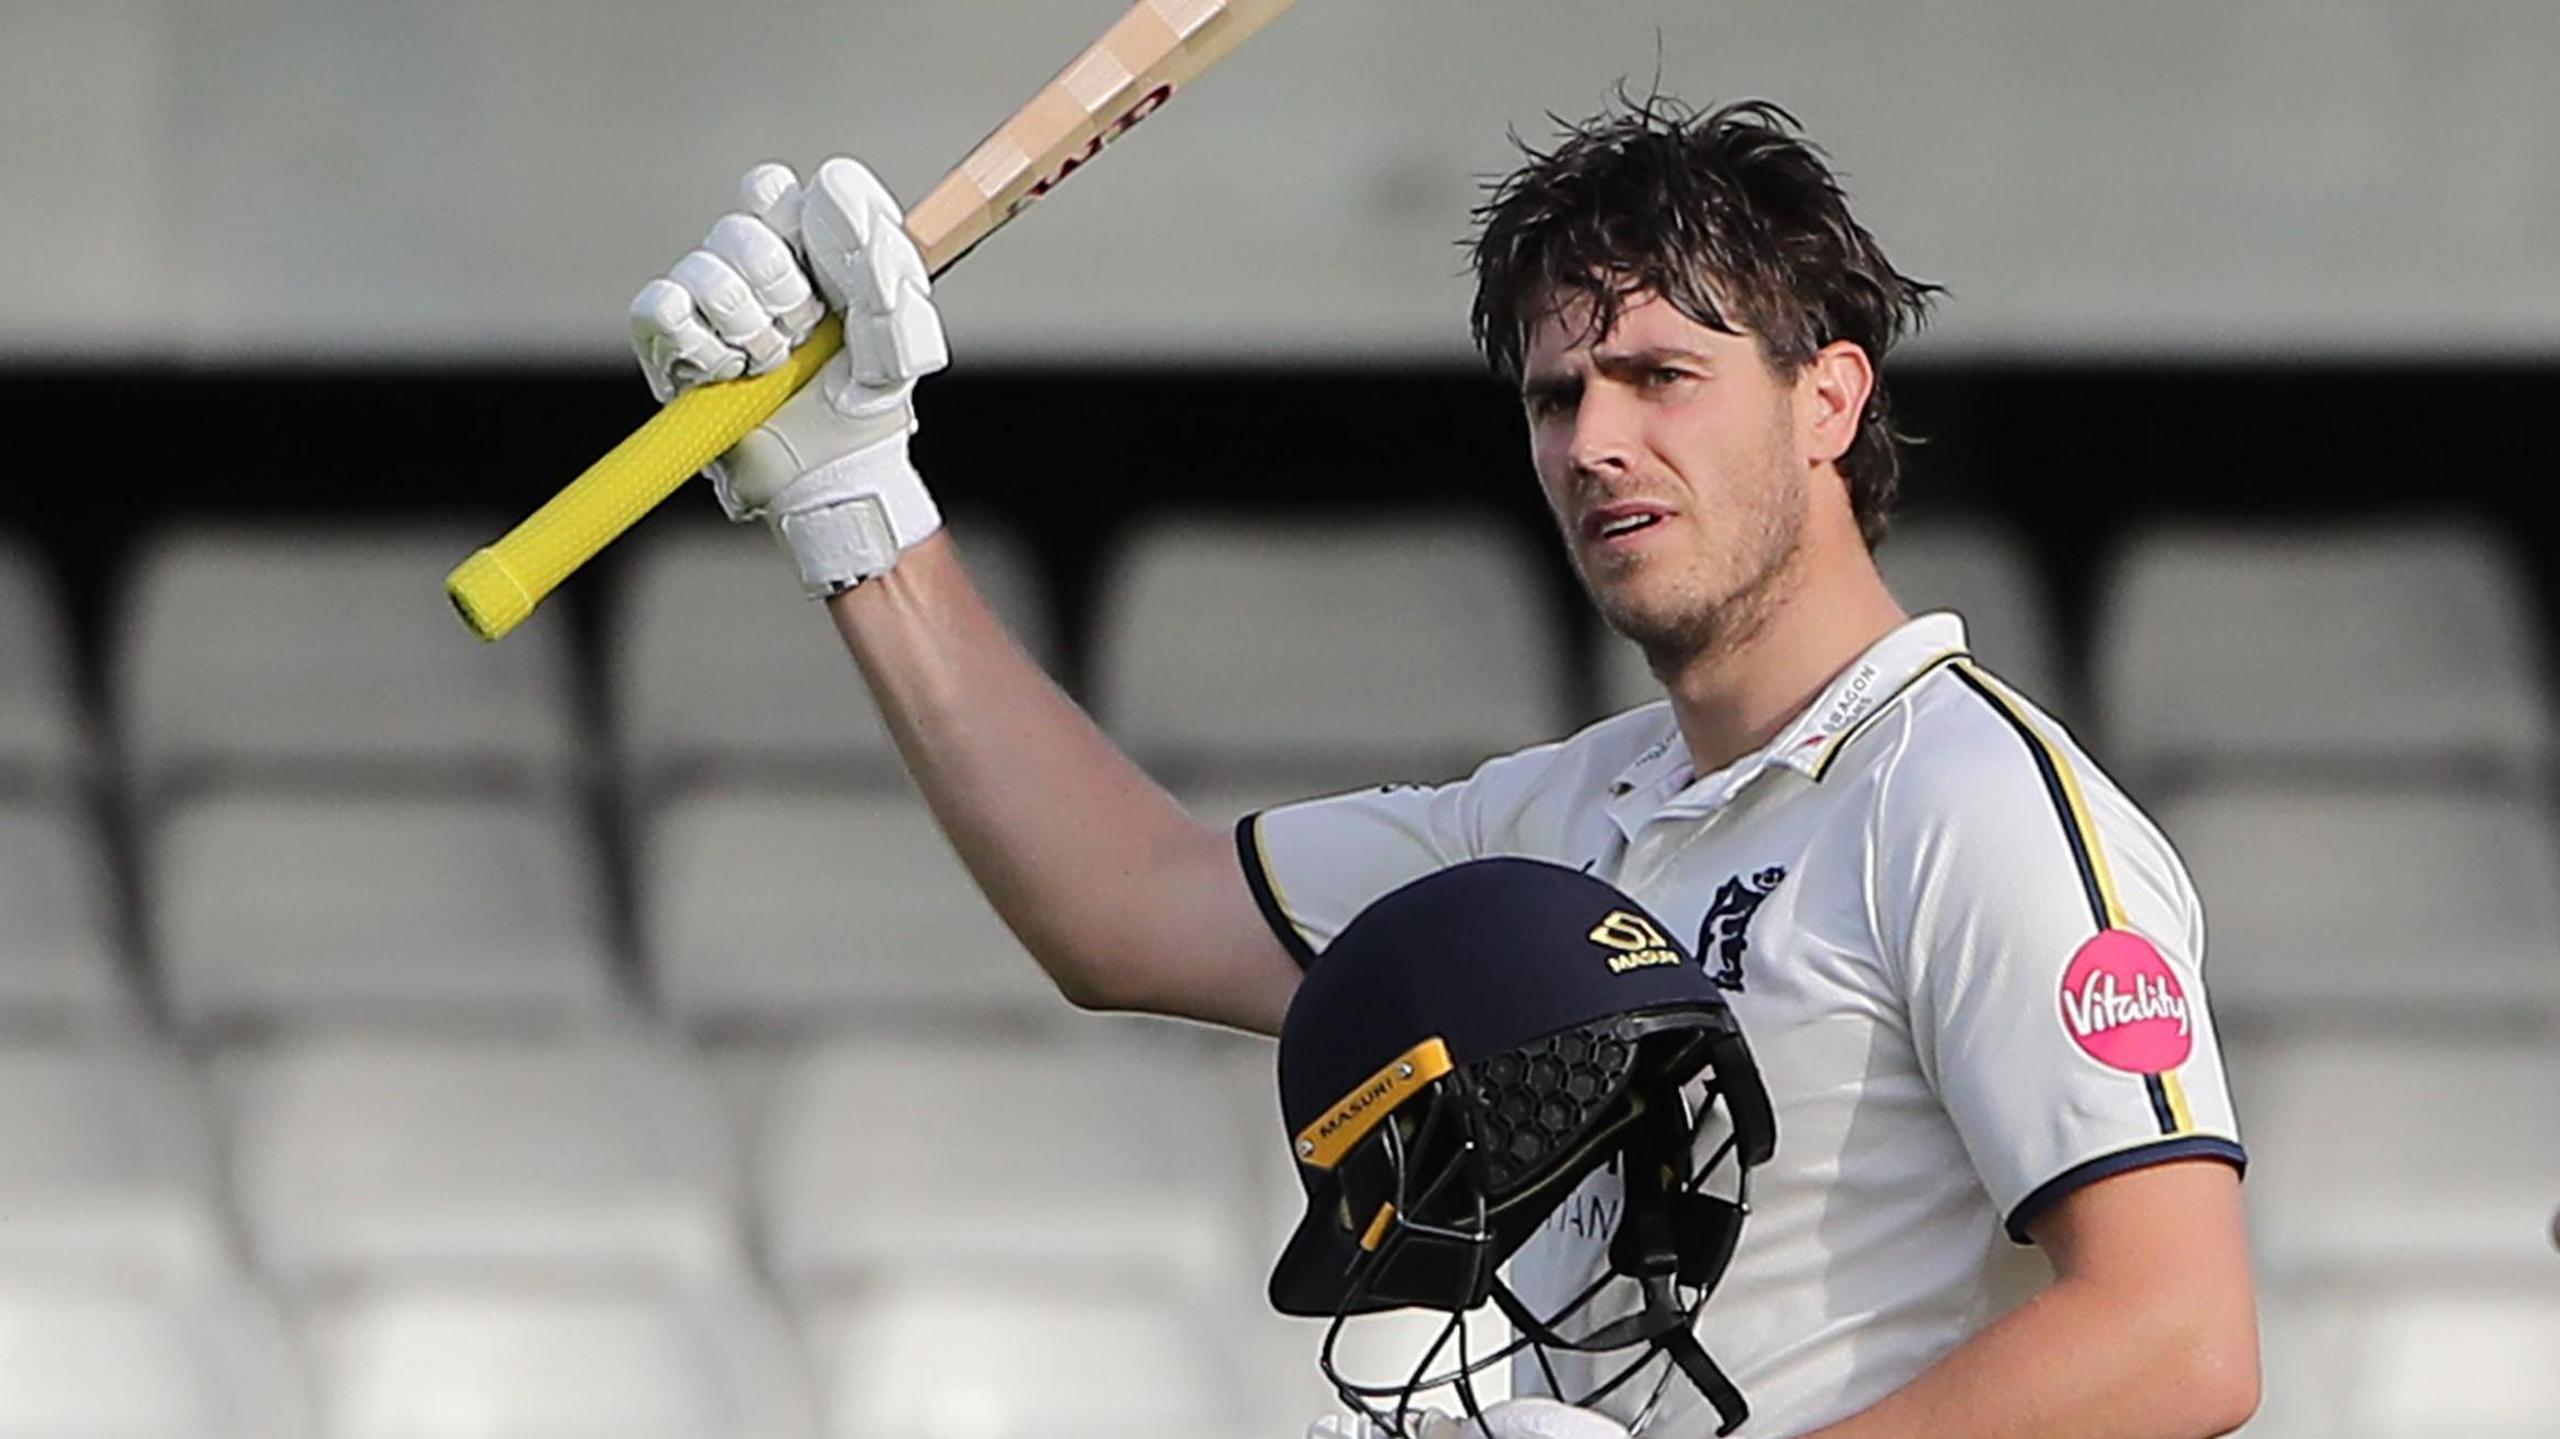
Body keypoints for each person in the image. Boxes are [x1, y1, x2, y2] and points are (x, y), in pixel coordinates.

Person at [629, 96, 2258, 1439]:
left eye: (1660, 379)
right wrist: (856, 506)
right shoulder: (1555, 822)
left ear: (1828, 398)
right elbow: (1124, 911)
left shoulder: (1976, 801)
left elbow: (2178, 1336)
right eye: (1558, 396)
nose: (1595, 442)